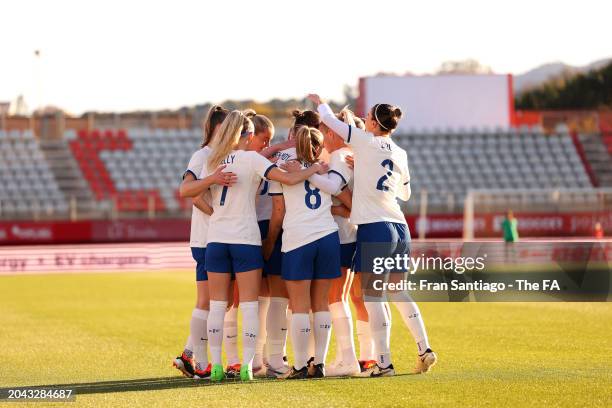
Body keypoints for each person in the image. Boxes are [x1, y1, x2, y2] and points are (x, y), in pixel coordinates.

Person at [307, 93, 437, 377]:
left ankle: (384, 362)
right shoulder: (400, 152)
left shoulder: (364, 141)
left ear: (376, 124)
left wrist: (321, 102)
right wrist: (367, 168)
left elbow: (329, 121)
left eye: (367, 118)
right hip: (400, 226)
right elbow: (405, 193)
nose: (364, 121)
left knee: (372, 297)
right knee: (398, 291)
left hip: (375, 227)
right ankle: (424, 348)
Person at [202, 110, 329, 382]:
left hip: (216, 237)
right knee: (250, 305)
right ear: (248, 135)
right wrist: (314, 168)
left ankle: (216, 365)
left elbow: (191, 192)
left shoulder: (213, 159)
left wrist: (215, 212)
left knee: (217, 306)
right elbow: (289, 179)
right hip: (245, 238)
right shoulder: (251, 159)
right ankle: (249, 365)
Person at [268, 126, 349, 379]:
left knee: (300, 305)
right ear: (318, 146)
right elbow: (344, 198)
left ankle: (300, 365)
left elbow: (278, 213)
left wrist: (269, 242)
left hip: (298, 239)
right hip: (327, 237)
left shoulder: (282, 173)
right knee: (321, 303)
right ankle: (320, 363)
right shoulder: (326, 170)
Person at [172, 105, 235, 379]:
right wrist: (218, 212)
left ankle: (189, 355)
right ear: (219, 128)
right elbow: (189, 191)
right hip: (207, 238)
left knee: (220, 301)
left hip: (217, 238)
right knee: (209, 301)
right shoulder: (203, 155)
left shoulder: (223, 155)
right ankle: (197, 362)